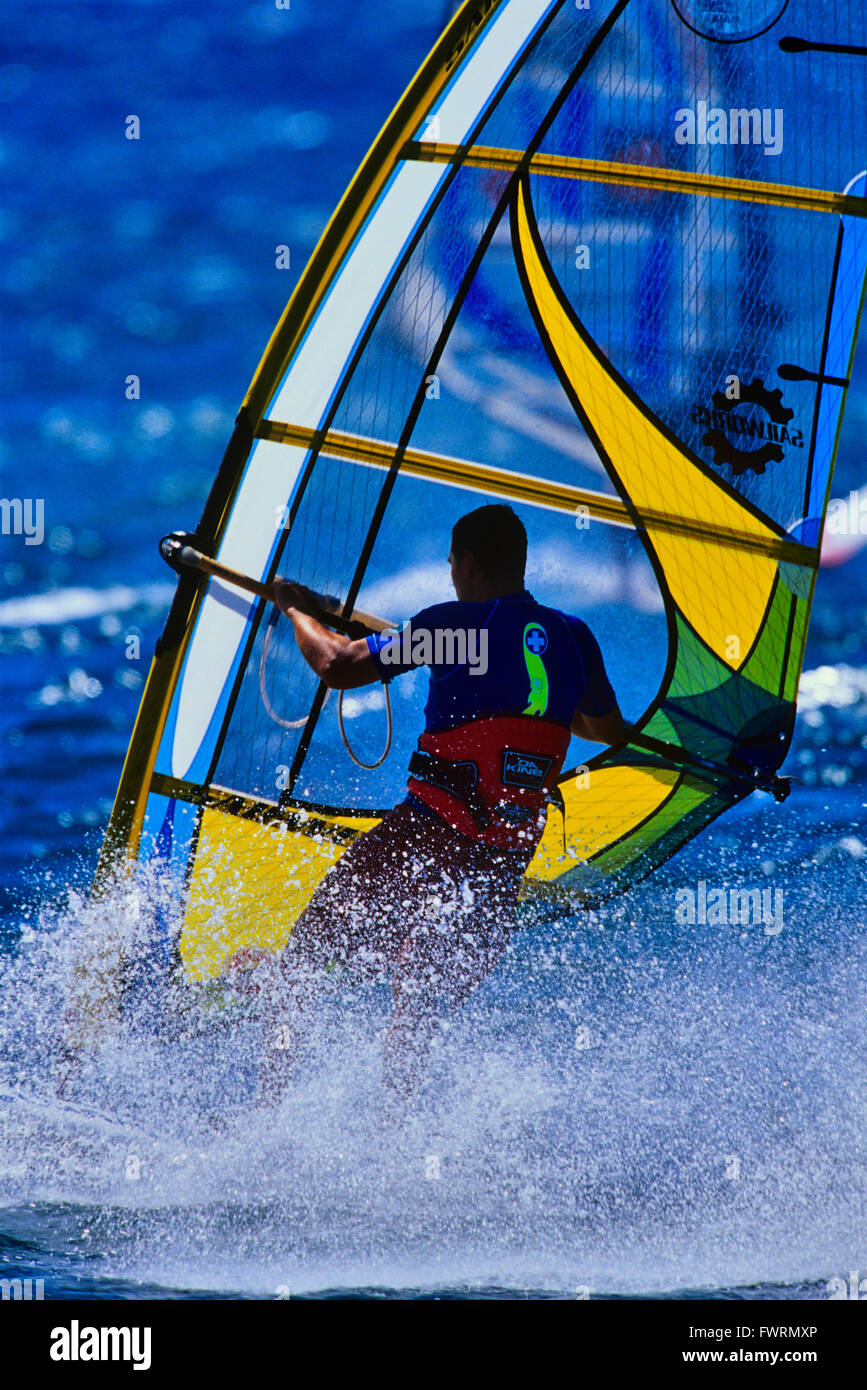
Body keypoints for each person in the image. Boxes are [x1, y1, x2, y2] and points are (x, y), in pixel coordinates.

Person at [260, 504, 628, 1101]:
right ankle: (399, 1147)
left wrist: (293, 605)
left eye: (453, 562)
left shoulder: (454, 626)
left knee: (303, 960)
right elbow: (602, 727)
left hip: (428, 836)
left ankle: (264, 1114)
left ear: (471, 564)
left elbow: (337, 663)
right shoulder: (571, 638)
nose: (451, 572)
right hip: (499, 865)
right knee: (415, 1017)